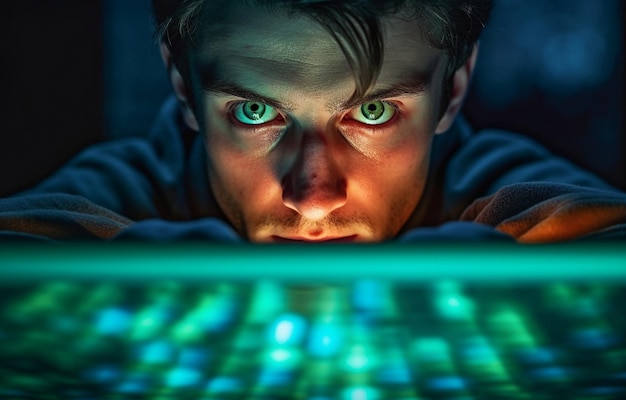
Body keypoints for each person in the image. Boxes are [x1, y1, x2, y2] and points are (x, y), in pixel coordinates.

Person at [1, 0, 625, 243]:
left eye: (373, 113)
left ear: (454, 88)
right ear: (181, 87)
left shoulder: (503, 186)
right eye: (254, 112)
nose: (314, 198)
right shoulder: (125, 188)